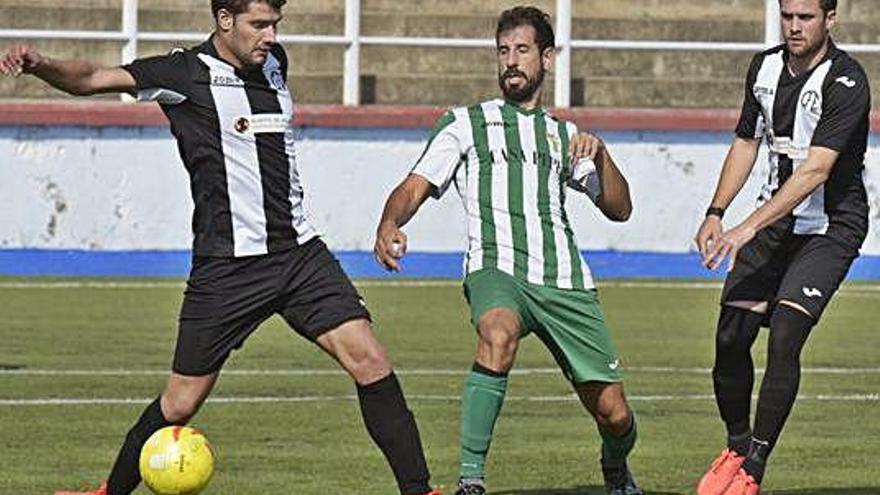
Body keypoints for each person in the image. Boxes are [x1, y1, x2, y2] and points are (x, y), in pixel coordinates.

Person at [0, 2, 441, 495]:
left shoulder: (275, 63)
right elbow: (92, 78)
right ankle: (109, 492)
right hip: (227, 268)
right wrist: (42, 65)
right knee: (181, 403)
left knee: (371, 362)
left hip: (299, 256)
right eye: (259, 25)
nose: (270, 36)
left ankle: (419, 490)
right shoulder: (183, 72)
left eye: (275, 25)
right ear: (224, 20)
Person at [373, 6, 642, 495]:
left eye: (521, 50)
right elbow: (414, 186)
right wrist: (390, 221)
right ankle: (471, 480)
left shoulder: (564, 137)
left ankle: (615, 464)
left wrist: (602, 155)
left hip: (564, 280)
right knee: (497, 333)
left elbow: (619, 209)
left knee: (615, 414)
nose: (510, 62)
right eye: (503, 51)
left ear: (547, 58)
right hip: (496, 269)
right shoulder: (464, 123)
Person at [693, 0, 871, 494]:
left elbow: (816, 168)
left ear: (829, 19)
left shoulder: (847, 82)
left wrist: (745, 228)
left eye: (806, 17)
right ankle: (736, 445)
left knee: (786, 334)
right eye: (787, 16)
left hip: (830, 228)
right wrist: (716, 211)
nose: (794, 26)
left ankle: (753, 471)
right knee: (731, 336)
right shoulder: (764, 67)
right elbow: (747, 142)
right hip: (775, 223)